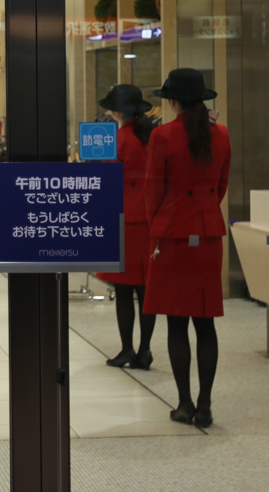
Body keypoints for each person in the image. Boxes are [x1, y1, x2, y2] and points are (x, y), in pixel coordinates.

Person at [144, 68, 231, 429]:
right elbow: (222, 185)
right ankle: (206, 406)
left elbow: (153, 191)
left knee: (177, 322)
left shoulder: (162, 136)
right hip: (208, 234)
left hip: (174, 233)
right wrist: (204, 213)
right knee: (205, 322)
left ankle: (183, 404)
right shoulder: (221, 135)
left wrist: (160, 224)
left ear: (172, 101)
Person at [94, 85, 156, 370]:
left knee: (122, 290)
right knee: (146, 289)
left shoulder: (117, 139)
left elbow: (107, 180)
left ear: (117, 111)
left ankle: (127, 349)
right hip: (149, 218)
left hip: (123, 218)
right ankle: (145, 350)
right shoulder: (152, 137)